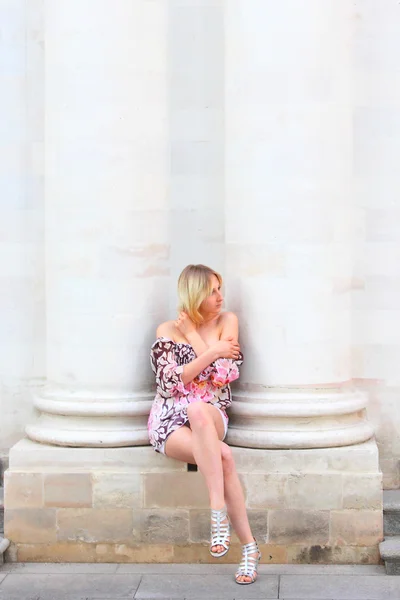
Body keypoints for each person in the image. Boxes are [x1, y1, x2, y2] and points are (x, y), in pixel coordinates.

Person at [148, 264, 261, 585]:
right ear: (194, 294)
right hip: (169, 421)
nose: (219, 296)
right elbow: (169, 384)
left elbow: (224, 376)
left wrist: (196, 340)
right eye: (212, 290)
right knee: (223, 458)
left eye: (219, 288)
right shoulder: (166, 330)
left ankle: (216, 510)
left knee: (198, 407)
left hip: (211, 414)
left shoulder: (228, 321)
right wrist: (213, 351)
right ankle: (250, 549)